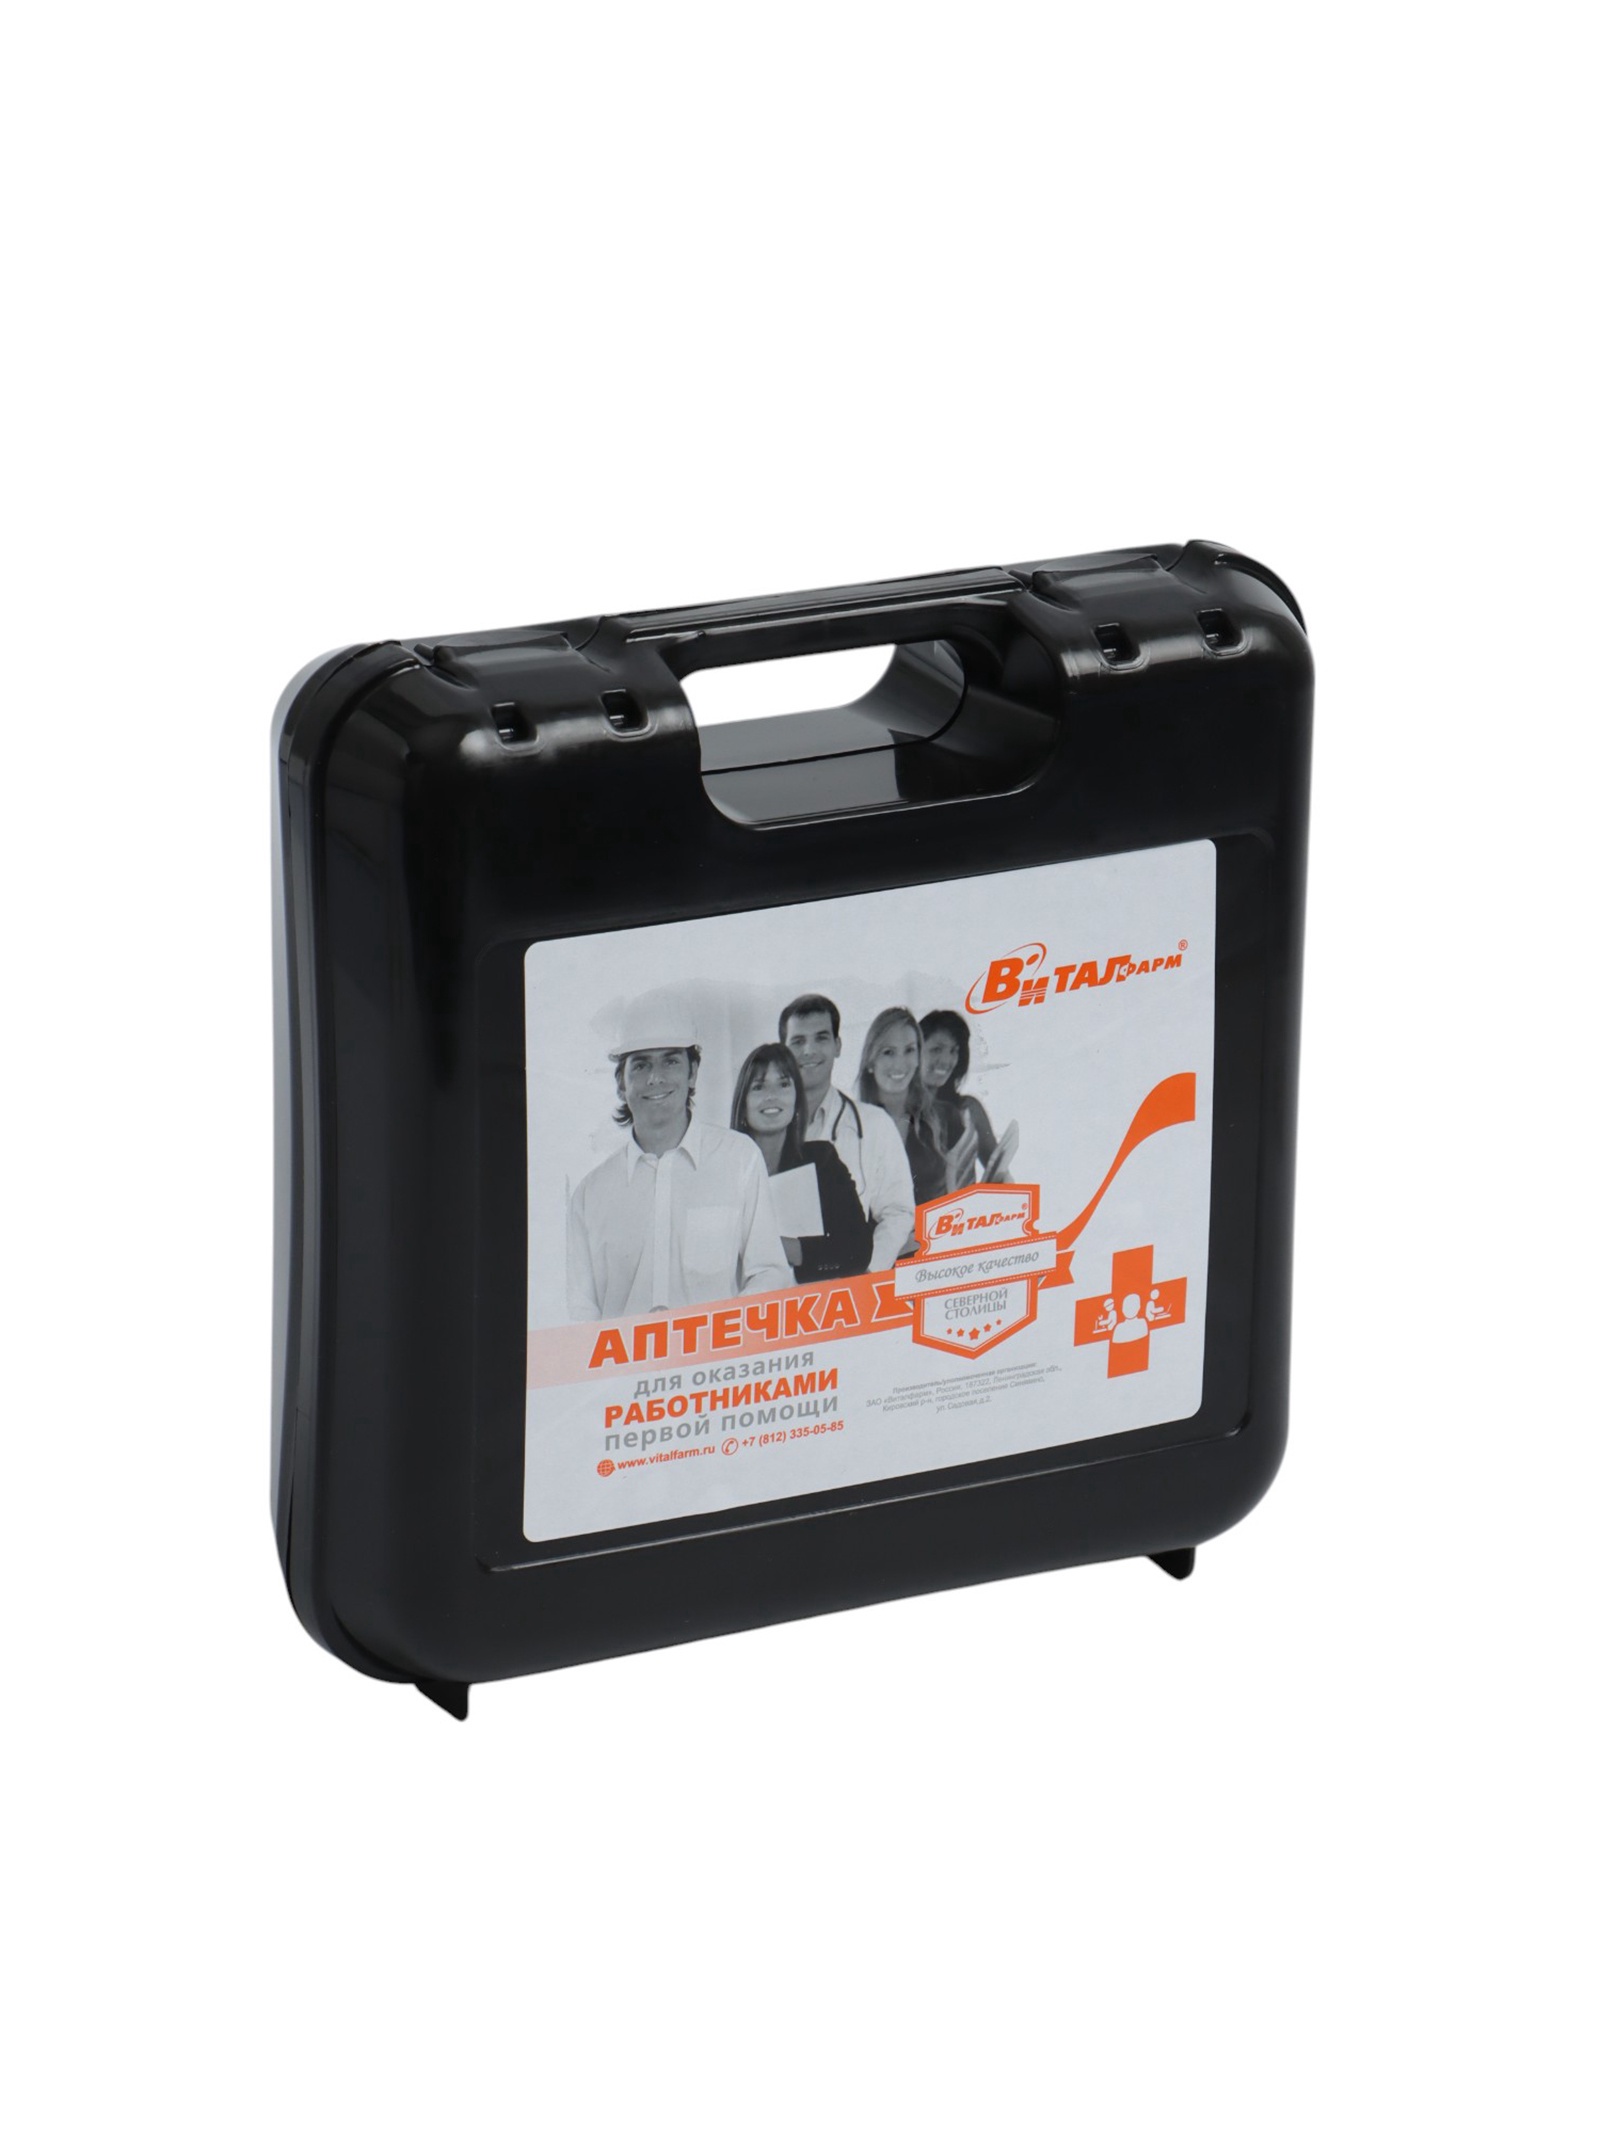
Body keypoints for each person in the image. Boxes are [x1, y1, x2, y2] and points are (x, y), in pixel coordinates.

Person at [566, 997, 791, 1320]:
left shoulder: (740, 1159)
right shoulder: (589, 1195)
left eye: (670, 1061)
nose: (655, 1078)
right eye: (641, 1065)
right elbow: (580, 1313)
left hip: (715, 1351)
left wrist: (717, 1334)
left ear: (692, 1073)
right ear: (621, 1083)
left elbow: (769, 1273)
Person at [778, 993, 916, 1270]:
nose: (809, 1050)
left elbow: (898, 1211)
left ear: (837, 1046)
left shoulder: (874, 1125)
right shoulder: (765, 1128)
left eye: (821, 1038)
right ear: (783, 1052)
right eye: (798, 1041)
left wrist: (867, 1270)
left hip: (850, 1282)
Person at [729, 1042, 874, 1281]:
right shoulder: (723, 1170)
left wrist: (779, 1246)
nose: (772, 1096)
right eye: (759, 1086)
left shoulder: (822, 1160)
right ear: (743, 1105)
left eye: (783, 1084)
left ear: (797, 1101)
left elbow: (858, 1251)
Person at [856, 1007, 979, 1229]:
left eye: (909, 1050)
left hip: (936, 1245)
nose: (900, 1063)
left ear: (918, 1058)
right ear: (870, 1062)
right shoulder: (850, 1125)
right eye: (888, 1052)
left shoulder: (947, 1117)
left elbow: (965, 1203)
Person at [918, 1008, 1014, 1187]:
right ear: (914, 1051)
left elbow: (1000, 1175)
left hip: (969, 1205)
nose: (946, 1060)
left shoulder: (970, 1109)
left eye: (953, 1050)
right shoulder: (902, 1113)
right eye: (936, 1049)